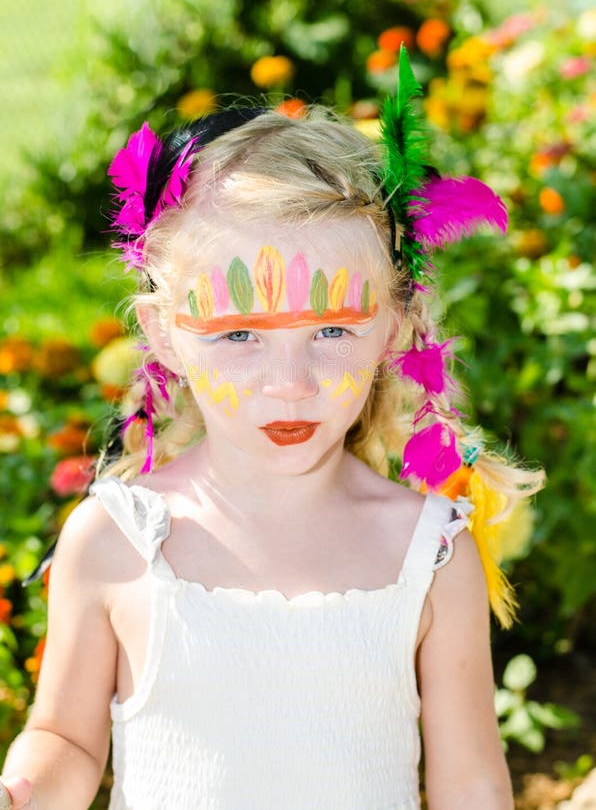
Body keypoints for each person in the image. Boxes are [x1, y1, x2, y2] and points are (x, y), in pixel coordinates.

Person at [1, 50, 543, 810]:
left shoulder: (429, 552)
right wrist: (26, 785)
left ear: (396, 327)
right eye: (238, 336)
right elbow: (67, 738)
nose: (289, 383)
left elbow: (470, 783)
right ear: (163, 336)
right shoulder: (118, 540)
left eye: (330, 331)